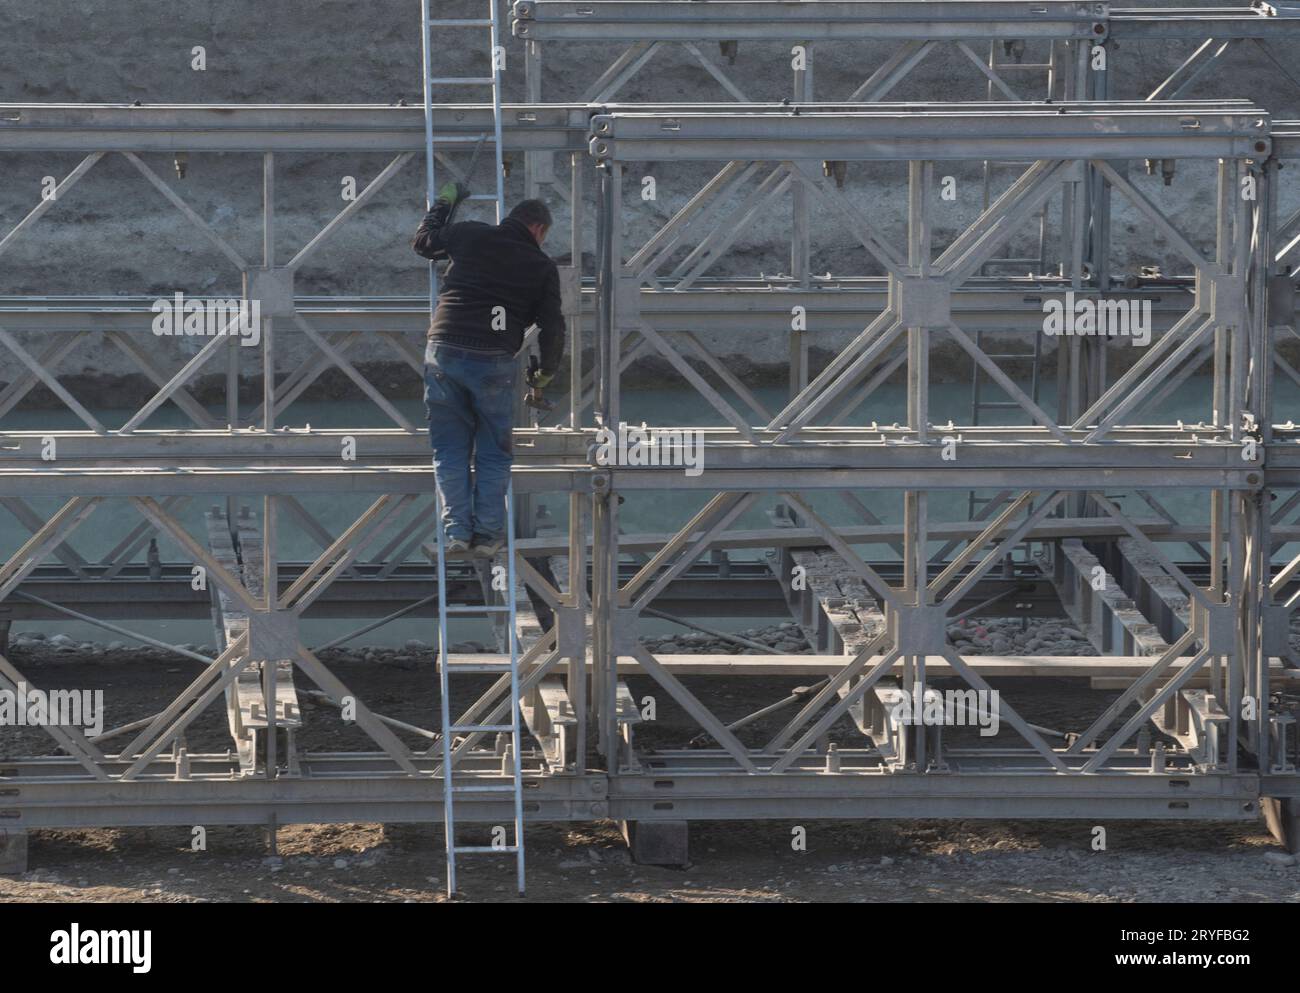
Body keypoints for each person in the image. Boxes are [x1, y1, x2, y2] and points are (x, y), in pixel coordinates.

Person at [412, 184, 564, 557]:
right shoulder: (540, 265)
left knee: (449, 449)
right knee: (493, 452)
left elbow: (422, 241)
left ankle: (457, 534)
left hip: (444, 350)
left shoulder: (471, 233)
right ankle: (488, 536)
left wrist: (446, 202)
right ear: (538, 230)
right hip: (494, 359)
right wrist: (545, 373)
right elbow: (552, 327)